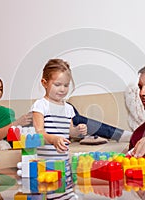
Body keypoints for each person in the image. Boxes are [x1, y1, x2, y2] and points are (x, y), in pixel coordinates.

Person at [30, 58, 87, 199]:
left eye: (66, 85)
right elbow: (39, 133)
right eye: (57, 84)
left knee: (66, 190)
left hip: (63, 160)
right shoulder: (40, 105)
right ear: (44, 83)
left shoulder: (68, 109)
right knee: (50, 193)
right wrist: (53, 139)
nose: (62, 89)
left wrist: (78, 131)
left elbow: (70, 132)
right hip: (46, 162)